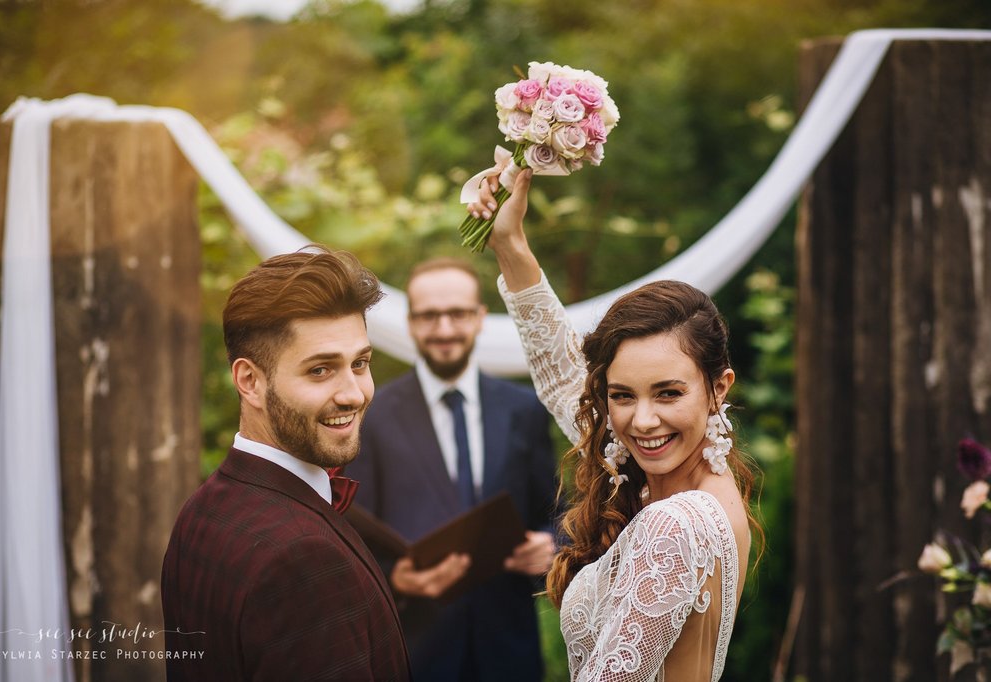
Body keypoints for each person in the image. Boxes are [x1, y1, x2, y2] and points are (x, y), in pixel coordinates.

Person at [467, 170, 761, 681]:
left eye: (668, 393)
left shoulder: (676, 524)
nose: (641, 421)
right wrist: (510, 244)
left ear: (719, 387)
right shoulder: (685, 483)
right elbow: (563, 378)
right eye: (621, 396)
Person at [160, 248, 411, 681]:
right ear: (250, 381)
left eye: (360, 363)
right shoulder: (303, 561)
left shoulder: (201, 509)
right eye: (320, 370)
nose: (353, 393)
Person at [344, 257, 558, 682]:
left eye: (457, 314)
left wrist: (551, 544)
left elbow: (555, 510)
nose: (444, 329)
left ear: (480, 318)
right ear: (410, 322)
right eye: (429, 316)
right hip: (416, 653)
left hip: (509, 651)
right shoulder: (371, 415)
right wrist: (395, 579)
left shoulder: (525, 410)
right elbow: (353, 536)